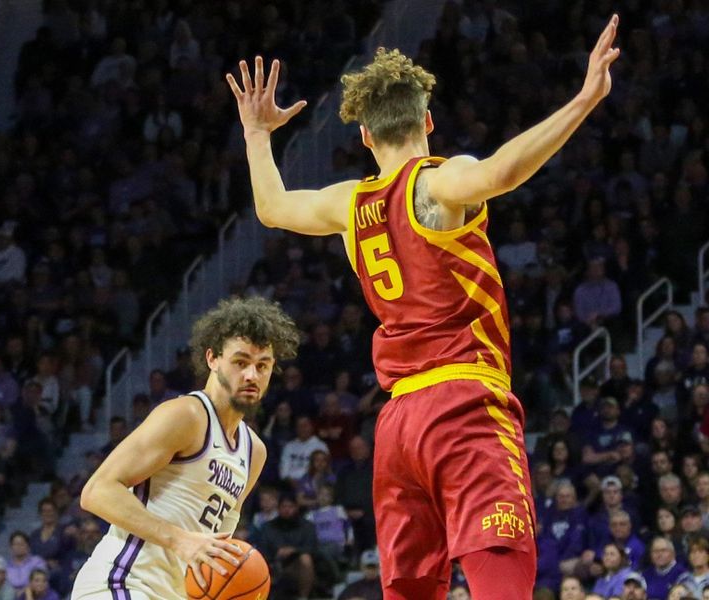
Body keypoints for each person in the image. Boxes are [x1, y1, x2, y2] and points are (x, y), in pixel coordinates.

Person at [227, 12, 621, 599]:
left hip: (397, 427)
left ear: (364, 137)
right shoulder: (438, 180)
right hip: (462, 403)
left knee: (411, 590)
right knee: (501, 573)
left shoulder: (348, 202)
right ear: (428, 121)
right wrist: (584, 100)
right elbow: (501, 171)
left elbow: (273, 208)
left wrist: (258, 134)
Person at [72, 297, 299, 599]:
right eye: (240, 362)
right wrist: (181, 540)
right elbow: (97, 491)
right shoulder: (186, 416)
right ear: (213, 359)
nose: (251, 376)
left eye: (262, 366)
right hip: (122, 583)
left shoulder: (254, 451)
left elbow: (214, 544)